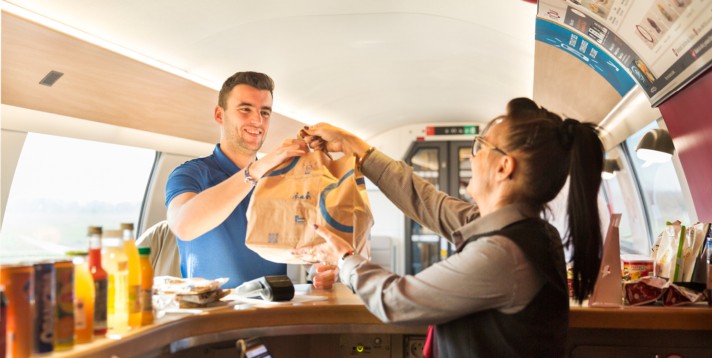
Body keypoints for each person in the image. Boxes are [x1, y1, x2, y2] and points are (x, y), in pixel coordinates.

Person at [297, 98, 604, 357]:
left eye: (481, 145)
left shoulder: (504, 255)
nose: (474, 155)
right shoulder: (521, 231)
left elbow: (397, 300)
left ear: (503, 167)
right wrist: (354, 146)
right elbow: (426, 201)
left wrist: (345, 258)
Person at [165, 71, 337, 289]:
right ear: (219, 115)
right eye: (245, 109)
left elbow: (304, 245)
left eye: (265, 112)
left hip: (272, 311)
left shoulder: (283, 179)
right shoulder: (190, 173)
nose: (257, 120)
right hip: (213, 315)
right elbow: (184, 226)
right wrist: (255, 171)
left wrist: (319, 270)